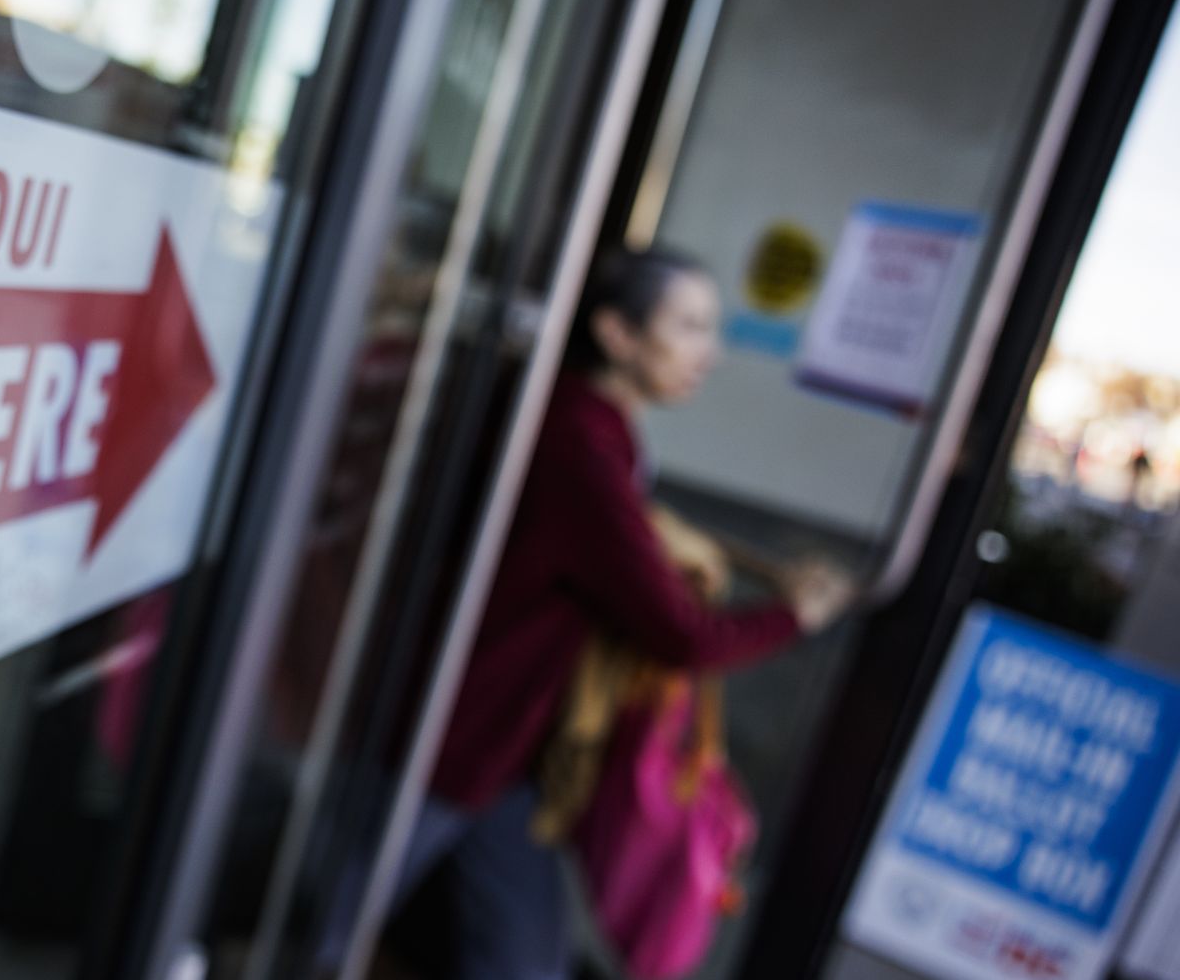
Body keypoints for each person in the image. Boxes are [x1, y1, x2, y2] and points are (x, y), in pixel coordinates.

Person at [327, 246, 852, 979]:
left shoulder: (594, 428)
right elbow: (681, 635)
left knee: (522, 960)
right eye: (689, 327)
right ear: (617, 334)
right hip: (449, 740)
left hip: (514, 754)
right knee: (317, 932)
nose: (710, 352)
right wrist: (794, 613)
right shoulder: (579, 439)